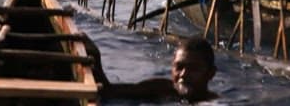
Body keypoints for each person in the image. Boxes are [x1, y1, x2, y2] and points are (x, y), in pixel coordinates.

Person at [84, 35, 218, 103]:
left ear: (210, 74)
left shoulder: (214, 102)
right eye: (179, 67)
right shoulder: (162, 88)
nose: (183, 74)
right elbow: (109, 92)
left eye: (193, 69)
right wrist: (95, 58)